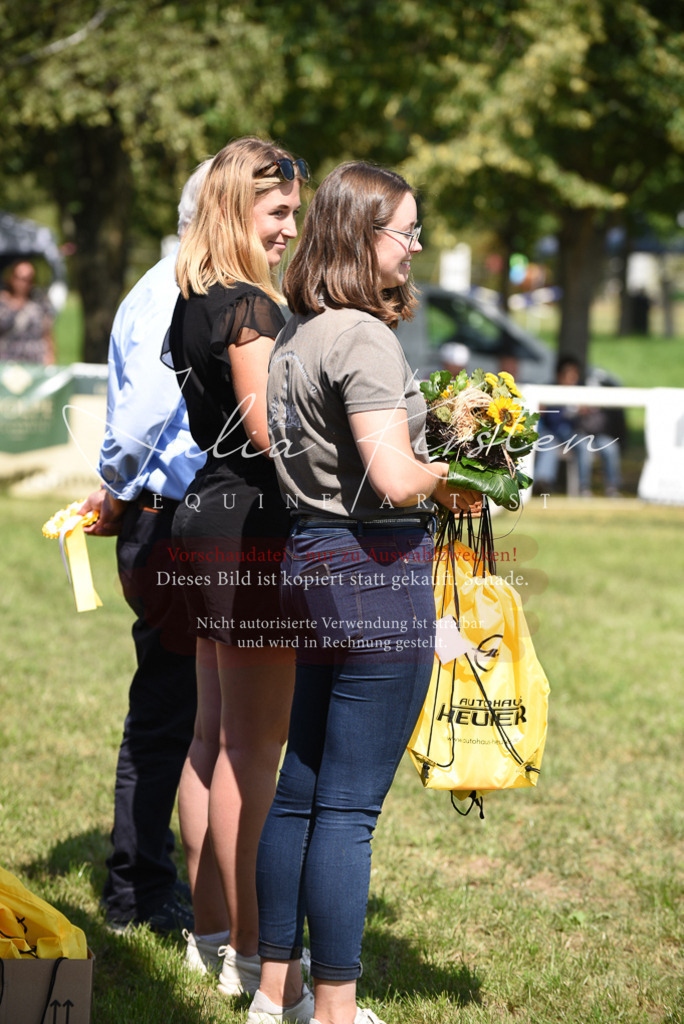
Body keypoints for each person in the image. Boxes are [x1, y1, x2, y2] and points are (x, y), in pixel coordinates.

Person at [250, 162, 481, 1024]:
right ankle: (337, 1014)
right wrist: (464, 470)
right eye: (406, 232)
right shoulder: (365, 337)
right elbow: (392, 477)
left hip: (312, 563)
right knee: (346, 811)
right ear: (361, 236)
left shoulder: (298, 333)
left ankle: (276, 993)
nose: (416, 246)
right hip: (374, 574)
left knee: (302, 787)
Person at [164, 137, 308, 997]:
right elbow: (270, 433)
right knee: (254, 749)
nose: (291, 227)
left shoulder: (192, 298)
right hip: (252, 528)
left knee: (214, 738)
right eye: (279, 211)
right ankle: (255, 955)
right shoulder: (249, 305)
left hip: (208, 519)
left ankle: (210, 932)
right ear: (235, 211)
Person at [78, 159, 212, 936]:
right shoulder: (171, 291)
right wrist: (117, 490)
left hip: (173, 518)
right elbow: (140, 422)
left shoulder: (168, 284)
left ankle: (160, 884)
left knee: (182, 708)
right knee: (170, 710)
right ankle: (138, 891)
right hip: (171, 521)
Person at [534, 356, 624, 497]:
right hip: (564, 434)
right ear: (559, 375)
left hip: (589, 433)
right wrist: (573, 412)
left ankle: (612, 488)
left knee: (610, 447)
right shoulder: (550, 390)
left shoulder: (584, 390)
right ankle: (583, 488)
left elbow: (600, 418)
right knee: (581, 446)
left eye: (574, 375)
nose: (572, 379)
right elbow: (552, 419)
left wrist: (588, 411)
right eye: (569, 375)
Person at [0, 260, 55, 364]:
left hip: (35, 363)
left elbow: (48, 335)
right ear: (11, 278)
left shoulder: (40, 302)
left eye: (29, 279)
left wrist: (50, 362)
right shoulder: (2, 303)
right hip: (5, 363)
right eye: (20, 278)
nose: (24, 283)